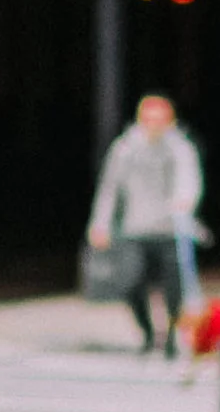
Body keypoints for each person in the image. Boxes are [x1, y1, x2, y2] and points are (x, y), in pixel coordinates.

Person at [87, 94, 204, 356]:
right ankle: (149, 332)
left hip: (169, 229)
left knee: (174, 289)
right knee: (131, 283)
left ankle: (173, 334)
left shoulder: (180, 148)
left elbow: (189, 180)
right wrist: (100, 224)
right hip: (135, 227)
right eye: (149, 119)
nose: (154, 125)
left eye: (160, 119)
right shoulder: (125, 149)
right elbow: (110, 189)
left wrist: (184, 202)